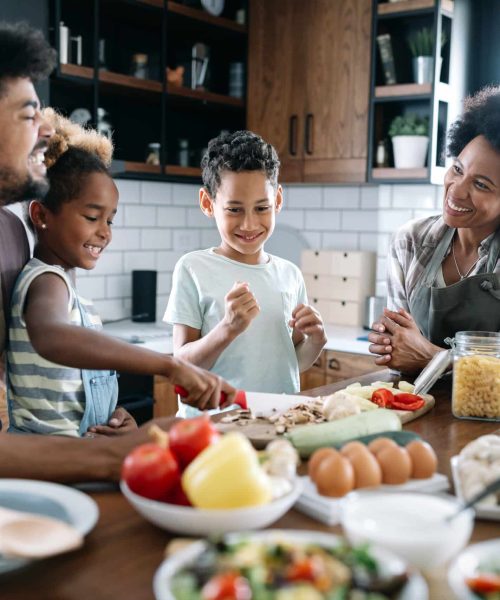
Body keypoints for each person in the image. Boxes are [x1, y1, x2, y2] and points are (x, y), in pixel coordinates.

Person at [0, 21, 233, 480]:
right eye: (29, 114)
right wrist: (167, 367)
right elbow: (49, 337)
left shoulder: (11, 232)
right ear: (43, 215)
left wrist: (113, 427)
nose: (47, 130)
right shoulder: (39, 270)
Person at [164, 130, 327, 416]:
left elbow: (291, 361)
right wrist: (228, 328)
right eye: (234, 209)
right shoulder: (193, 268)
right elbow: (182, 364)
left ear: (277, 200)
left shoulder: (290, 275)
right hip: (214, 428)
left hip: (277, 420)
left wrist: (316, 341)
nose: (249, 224)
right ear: (207, 203)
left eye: (261, 207)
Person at [368, 86, 500, 373]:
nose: (457, 191)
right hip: (417, 407)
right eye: (457, 169)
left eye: (481, 185)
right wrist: (390, 343)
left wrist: (434, 357)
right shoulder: (410, 241)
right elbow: (400, 348)